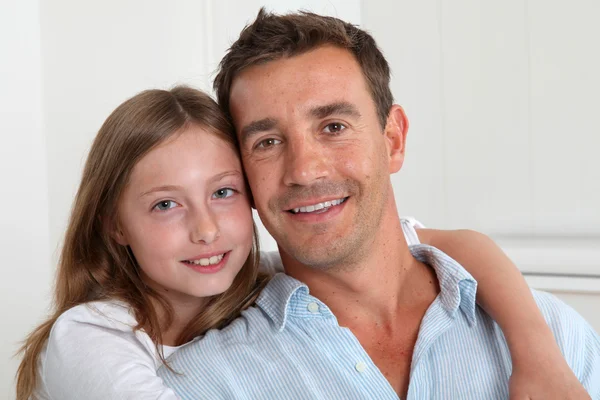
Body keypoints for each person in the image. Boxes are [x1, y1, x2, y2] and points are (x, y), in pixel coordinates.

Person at [158, 9, 600, 399]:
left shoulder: (556, 341)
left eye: (333, 127)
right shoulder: (200, 385)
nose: (305, 171)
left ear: (393, 139)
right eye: (267, 141)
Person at [14, 86, 562, 400]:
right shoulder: (87, 337)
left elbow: (445, 244)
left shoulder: (257, 279)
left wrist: (538, 355)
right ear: (114, 225)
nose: (205, 229)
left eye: (223, 192)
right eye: (165, 204)